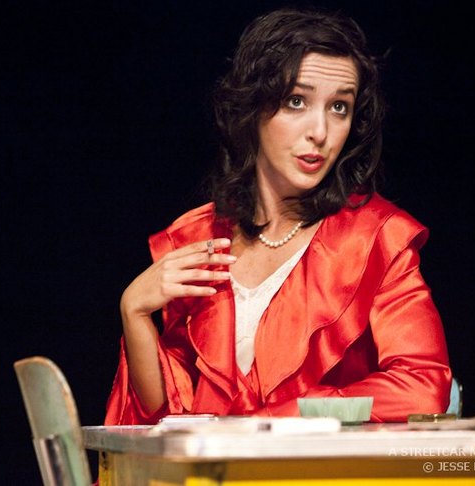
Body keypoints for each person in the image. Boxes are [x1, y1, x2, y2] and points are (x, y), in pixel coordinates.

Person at [104, 7, 452, 425]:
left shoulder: (376, 238)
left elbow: (423, 386)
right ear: (251, 107)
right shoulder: (197, 237)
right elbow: (166, 417)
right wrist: (134, 312)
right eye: (296, 101)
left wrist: (274, 420)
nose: (320, 132)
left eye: (339, 107)